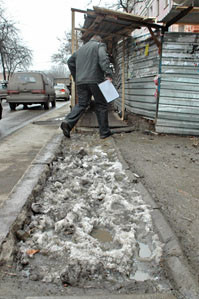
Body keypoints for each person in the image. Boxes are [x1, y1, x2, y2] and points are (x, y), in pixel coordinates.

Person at [60, 35, 113, 139]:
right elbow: (103, 58)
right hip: (95, 79)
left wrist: (76, 77)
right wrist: (108, 74)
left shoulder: (80, 50)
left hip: (81, 82)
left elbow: (70, 61)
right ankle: (104, 132)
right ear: (99, 40)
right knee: (101, 105)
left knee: (82, 104)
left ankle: (68, 122)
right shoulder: (99, 46)